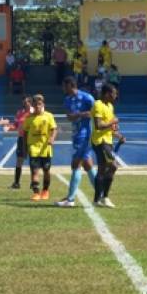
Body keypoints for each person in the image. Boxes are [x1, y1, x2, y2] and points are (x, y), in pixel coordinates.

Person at [55, 77, 97, 207]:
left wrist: (85, 114)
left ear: (71, 85)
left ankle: (70, 199)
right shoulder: (67, 99)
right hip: (76, 134)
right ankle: (101, 194)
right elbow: (69, 116)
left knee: (75, 164)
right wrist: (81, 114)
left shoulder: (87, 97)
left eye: (65, 86)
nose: (63, 89)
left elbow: (95, 112)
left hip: (85, 134)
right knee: (88, 165)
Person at [91, 84, 121, 208]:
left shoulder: (110, 106)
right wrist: (112, 122)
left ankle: (97, 199)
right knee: (113, 166)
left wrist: (117, 133)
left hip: (107, 141)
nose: (115, 96)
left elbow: (109, 126)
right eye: (113, 93)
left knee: (102, 170)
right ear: (106, 94)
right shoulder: (98, 104)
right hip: (100, 141)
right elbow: (98, 125)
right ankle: (104, 197)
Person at [23, 94, 57, 201]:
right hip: (33, 148)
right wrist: (25, 147)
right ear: (32, 105)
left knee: (46, 170)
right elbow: (25, 132)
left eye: (39, 104)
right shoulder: (29, 118)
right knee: (35, 171)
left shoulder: (49, 116)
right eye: (35, 104)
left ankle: (45, 190)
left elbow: (54, 129)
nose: (37, 106)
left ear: (43, 104)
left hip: (45, 149)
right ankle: (36, 193)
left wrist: (52, 138)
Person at [10, 95, 34, 189]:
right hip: (21, 138)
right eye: (23, 102)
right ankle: (16, 183)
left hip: (32, 139)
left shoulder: (34, 112)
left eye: (26, 102)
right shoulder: (20, 112)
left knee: (33, 161)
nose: (24, 103)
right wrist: (8, 127)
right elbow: (15, 125)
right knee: (19, 161)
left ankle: (33, 183)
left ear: (30, 102)